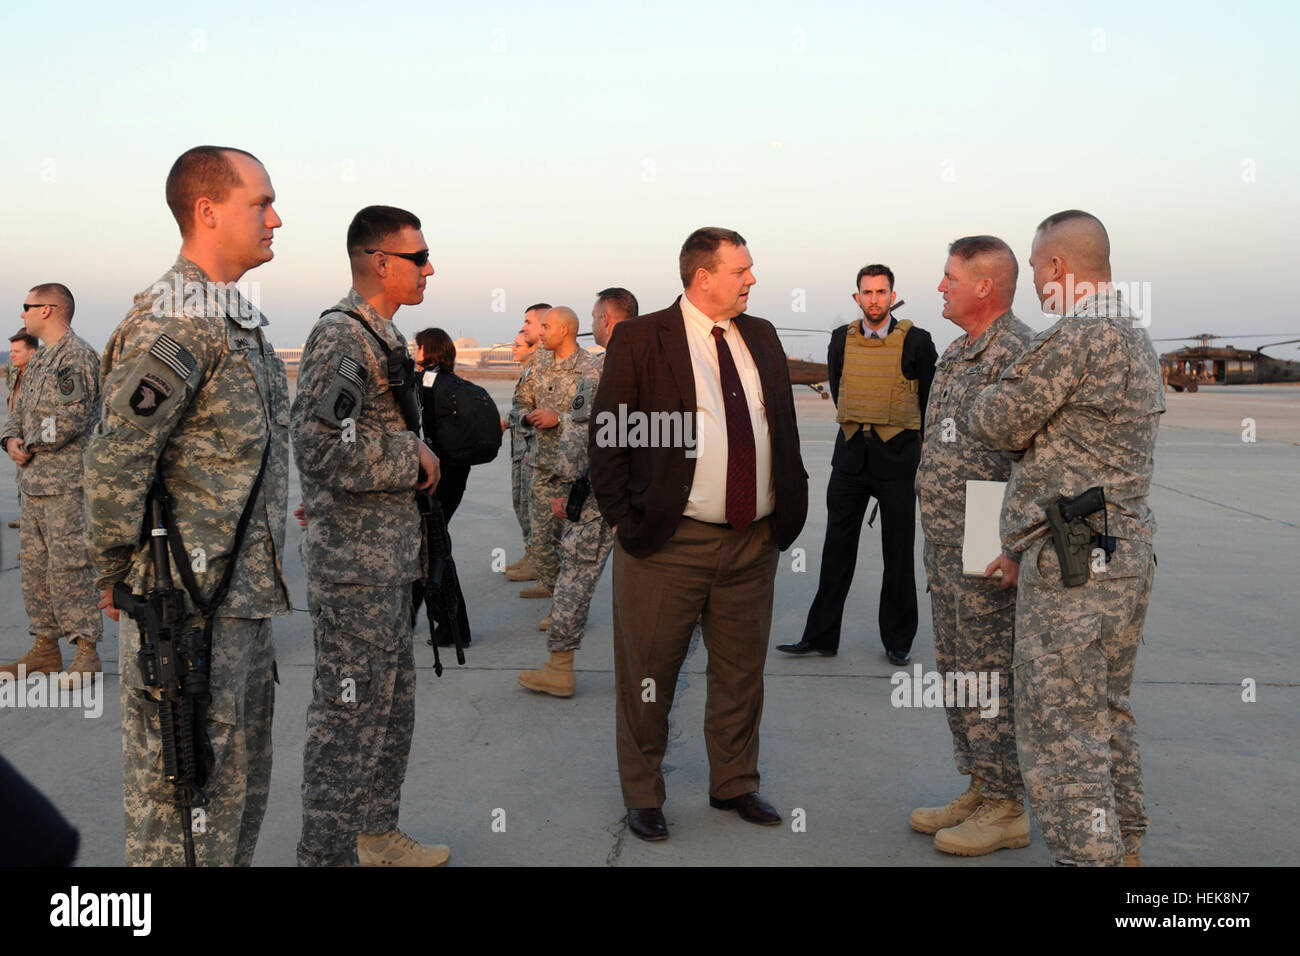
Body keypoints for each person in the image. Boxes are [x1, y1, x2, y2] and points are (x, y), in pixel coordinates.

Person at [85, 145, 290, 866]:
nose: (276, 218)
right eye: (260, 203)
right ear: (208, 212)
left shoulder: (232, 319)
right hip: (185, 613)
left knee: (234, 802)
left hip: (236, 608)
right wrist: (116, 570)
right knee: (184, 821)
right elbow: (114, 460)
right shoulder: (178, 324)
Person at [589, 227, 808, 842]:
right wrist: (625, 522)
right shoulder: (641, 338)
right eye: (742, 270)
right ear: (702, 277)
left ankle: (734, 782)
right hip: (667, 543)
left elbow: (779, 424)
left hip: (753, 539)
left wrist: (788, 503)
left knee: (741, 673)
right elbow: (609, 437)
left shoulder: (759, 335)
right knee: (648, 674)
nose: (752, 280)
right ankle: (643, 792)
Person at [969, 210, 1164, 867]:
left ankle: (1091, 859)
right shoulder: (1135, 334)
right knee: (1105, 712)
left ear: (1057, 266)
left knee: (1060, 726)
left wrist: (989, 399)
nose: (1034, 281)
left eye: (1033, 267)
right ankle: (1125, 847)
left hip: (1076, 553)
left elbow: (997, 418)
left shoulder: (1080, 333)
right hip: (1123, 544)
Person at [291, 204, 448, 867]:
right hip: (353, 569)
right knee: (348, 723)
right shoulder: (344, 338)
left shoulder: (379, 335)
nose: (429, 269)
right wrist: (408, 456)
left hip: (386, 563)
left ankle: (377, 836)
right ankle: (323, 857)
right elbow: (320, 448)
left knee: (389, 715)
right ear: (381, 262)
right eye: (419, 258)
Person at [911, 236, 1035, 855]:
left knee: (988, 672)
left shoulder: (1018, 352)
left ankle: (1008, 804)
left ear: (984, 286)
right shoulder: (960, 350)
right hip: (945, 538)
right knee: (959, 670)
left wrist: (1015, 544)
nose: (940, 286)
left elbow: (1037, 459)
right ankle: (982, 785)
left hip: (989, 538)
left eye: (949, 277)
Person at [778, 264, 935, 664]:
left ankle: (898, 641)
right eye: (867, 292)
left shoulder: (917, 341)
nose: (874, 299)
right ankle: (821, 637)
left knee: (897, 555)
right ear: (857, 297)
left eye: (881, 292)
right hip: (850, 459)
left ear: (892, 295)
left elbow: (929, 401)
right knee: (835, 552)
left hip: (897, 462)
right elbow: (838, 385)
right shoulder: (840, 340)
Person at [518, 287, 638, 697]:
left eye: (593, 316)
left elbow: (581, 430)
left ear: (606, 319)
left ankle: (559, 668)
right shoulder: (656, 358)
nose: (592, 324)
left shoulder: (603, 368)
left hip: (602, 490)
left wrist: (564, 486)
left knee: (575, 573)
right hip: (648, 489)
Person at [0, 286, 101, 684]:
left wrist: (32, 442)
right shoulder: (38, 360)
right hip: (33, 485)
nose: (22, 313)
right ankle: (46, 649)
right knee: (37, 570)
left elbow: (72, 418)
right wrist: (9, 439)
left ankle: (87, 652)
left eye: (27, 307)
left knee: (70, 568)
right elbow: (17, 409)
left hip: (67, 485)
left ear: (48, 309)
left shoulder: (75, 357)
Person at [517, 307, 603, 626]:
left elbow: (599, 419)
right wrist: (526, 417)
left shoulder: (590, 368)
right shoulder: (538, 362)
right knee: (542, 542)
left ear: (564, 330)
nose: (540, 333)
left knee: (574, 549)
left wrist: (560, 419)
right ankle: (557, 597)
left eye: (546, 327)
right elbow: (520, 404)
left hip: (577, 474)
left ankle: (566, 611)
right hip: (543, 468)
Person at [413, 326, 472, 648]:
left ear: (428, 350)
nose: (413, 352)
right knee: (432, 545)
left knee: (433, 548)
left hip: (436, 476)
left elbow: (422, 430)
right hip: (456, 473)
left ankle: (453, 627)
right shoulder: (452, 383)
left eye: (417, 347)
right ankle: (447, 624)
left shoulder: (426, 382)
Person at [503, 304, 549, 581]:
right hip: (522, 449)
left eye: (528, 323)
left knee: (536, 509)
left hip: (536, 450)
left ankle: (542, 565)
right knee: (522, 505)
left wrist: (509, 420)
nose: (524, 329)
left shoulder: (545, 365)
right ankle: (532, 555)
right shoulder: (533, 368)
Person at [4, 330, 39, 529]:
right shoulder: (16, 372)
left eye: (17, 351)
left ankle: (31, 529)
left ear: (32, 352)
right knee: (21, 481)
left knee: (30, 486)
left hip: (32, 437)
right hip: (17, 433)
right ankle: (25, 521)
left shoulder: (40, 376)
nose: (12, 354)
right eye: (11, 350)